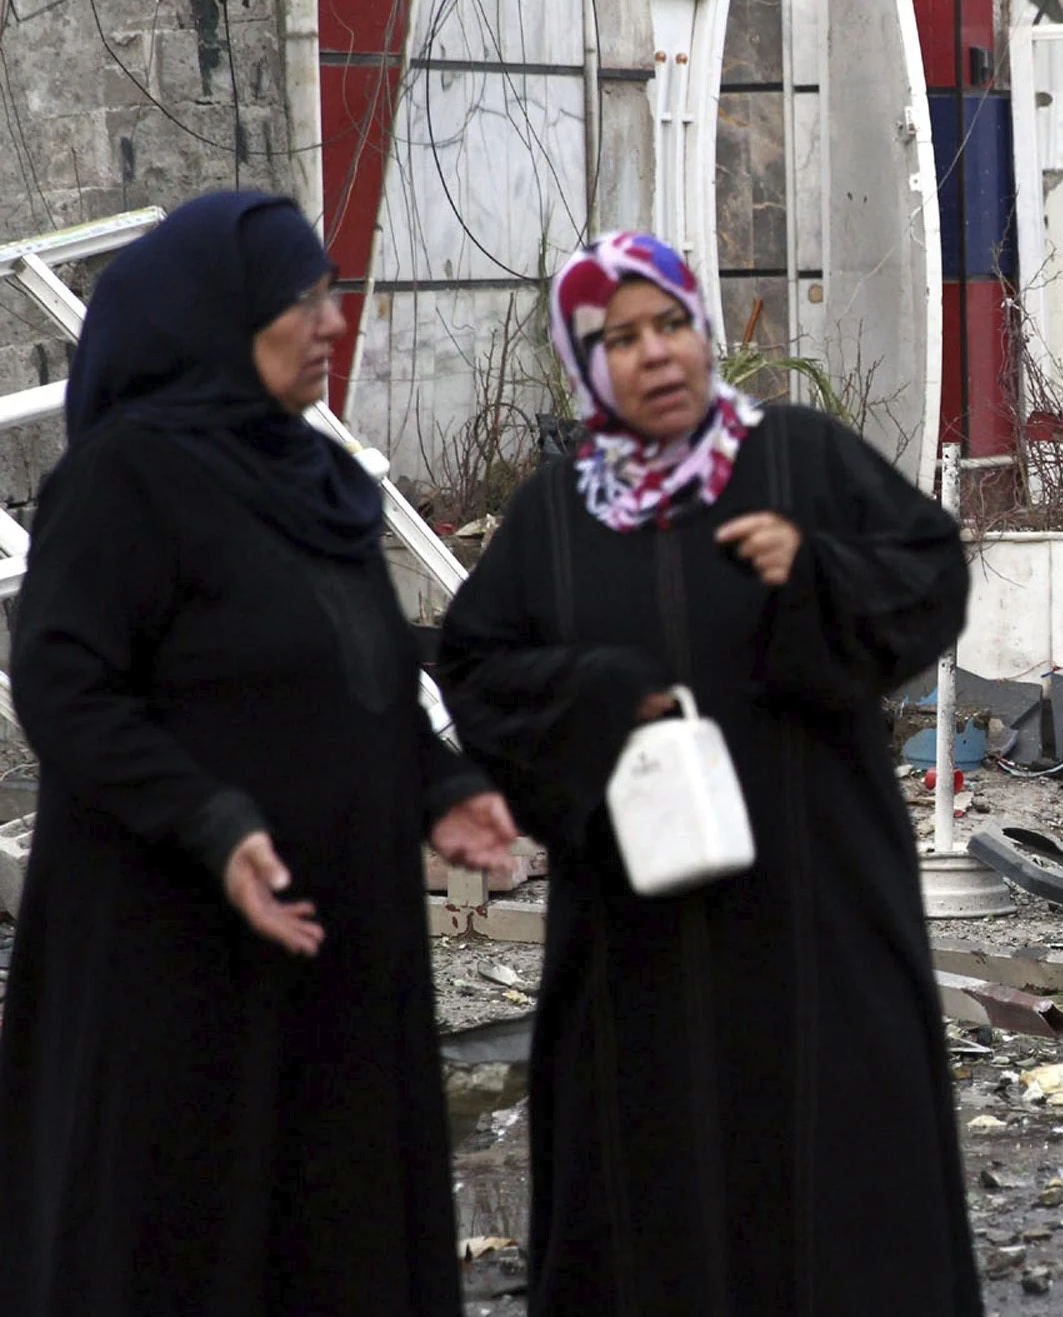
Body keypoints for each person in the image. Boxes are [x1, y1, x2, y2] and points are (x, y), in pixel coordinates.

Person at [434, 232, 979, 1314]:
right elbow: (476, 669)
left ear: (703, 326)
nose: (655, 355)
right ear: (587, 362)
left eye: (671, 323)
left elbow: (931, 574)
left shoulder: (800, 459)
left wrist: (816, 571)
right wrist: (596, 692)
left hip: (819, 909)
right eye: (620, 337)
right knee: (652, 1190)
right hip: (639, 936)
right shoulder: (554, 515)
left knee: (839, 1179)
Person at [0, 191, 518, 1316]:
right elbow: (64, 684)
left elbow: (361, 679)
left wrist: (446, 785)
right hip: (179, 952)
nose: (333, 321)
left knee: (335, 1230)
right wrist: (213, 822)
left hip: (338, 952)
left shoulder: (315, 482)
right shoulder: (124, 478)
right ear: (220, 315)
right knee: (192, 1234)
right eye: (305, 297)